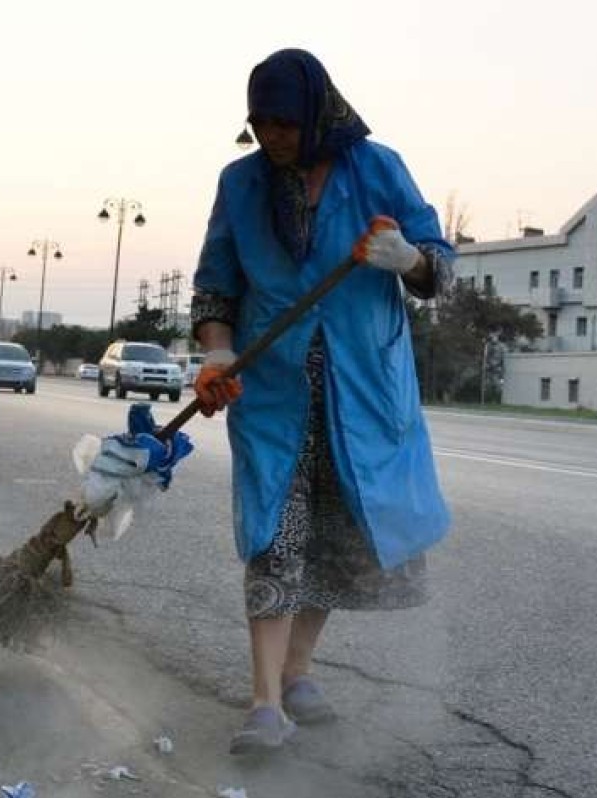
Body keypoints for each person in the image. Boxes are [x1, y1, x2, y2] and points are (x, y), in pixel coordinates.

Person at [190, 48, 454, 755]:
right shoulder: (240, 184)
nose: (273, 135)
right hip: (273, 392)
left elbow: (440, 264)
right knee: (276, 537)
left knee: (337, 541)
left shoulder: (378, 169)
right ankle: (265, 702)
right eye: (261, 122)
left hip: (363, 391)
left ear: (316, 115)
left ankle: (299, 671)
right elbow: (216, 287)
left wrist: (408, 257)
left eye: (285, 121)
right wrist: (217, 352)